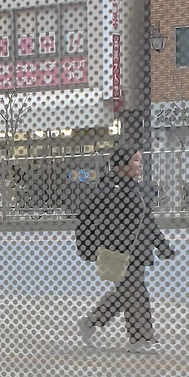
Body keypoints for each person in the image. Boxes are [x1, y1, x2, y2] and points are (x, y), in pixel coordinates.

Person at [76, 147, 175, 351]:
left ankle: (91, 322)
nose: (140, 164)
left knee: (127, 292)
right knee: (134, 291)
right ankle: (140, 338)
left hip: (137, 250)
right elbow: (87, 219)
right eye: (135, 160)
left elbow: (147, 221)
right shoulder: (107, 189)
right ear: (122, 164)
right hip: (119, 251)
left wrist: (162, 246)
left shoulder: (135, 188)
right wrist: (87, 247)